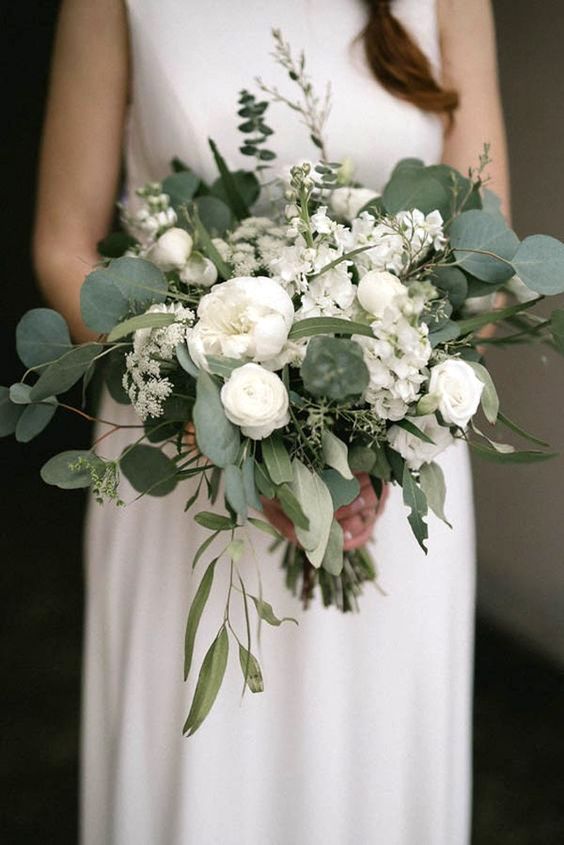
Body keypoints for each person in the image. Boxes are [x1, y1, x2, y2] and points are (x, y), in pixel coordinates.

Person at [33, 1, 510, 843]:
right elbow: (65, 246)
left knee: (371, 780)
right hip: (182, 476)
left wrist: (373, 427)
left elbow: (490, 260)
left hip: (388, 485)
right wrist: (210, 411)